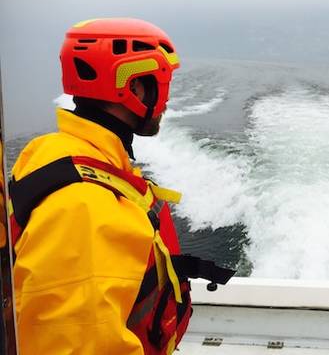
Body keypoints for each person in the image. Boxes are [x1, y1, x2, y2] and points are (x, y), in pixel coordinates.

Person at [9, 18, 233, 354]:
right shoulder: (84, 208)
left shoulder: (56, 152)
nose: (167, 99)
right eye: (164, 82)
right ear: (135, 88)